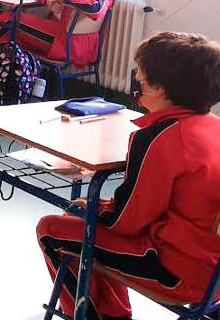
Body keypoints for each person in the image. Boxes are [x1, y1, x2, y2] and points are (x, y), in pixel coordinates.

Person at [36, 32, 220, 320]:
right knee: (82, 218)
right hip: (211, 264)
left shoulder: (158, 138)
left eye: (140, 71)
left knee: (52, 230)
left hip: (179, 271)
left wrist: (96, 209)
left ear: (158, 87)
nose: (135, 75)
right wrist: (98, 209)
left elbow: (127, 222)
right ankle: (112, 312)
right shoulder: (213, 127)